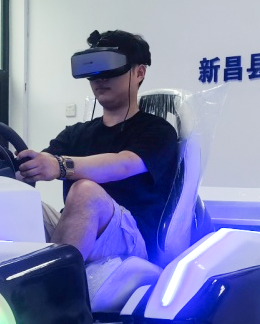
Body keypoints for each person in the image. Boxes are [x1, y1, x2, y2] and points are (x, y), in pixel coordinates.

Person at [16, 30, 178, 266]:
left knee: (85, 192)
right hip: (78, 223)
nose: (100, 78)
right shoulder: (75, 133)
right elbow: (39, 162)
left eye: (109, 68)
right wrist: (10, 170)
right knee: (15, 203)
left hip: (132, 237)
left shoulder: (158, 130)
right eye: (93, 70)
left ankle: (53, 285)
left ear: (139, 72)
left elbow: (123, 164)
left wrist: (60, 165)